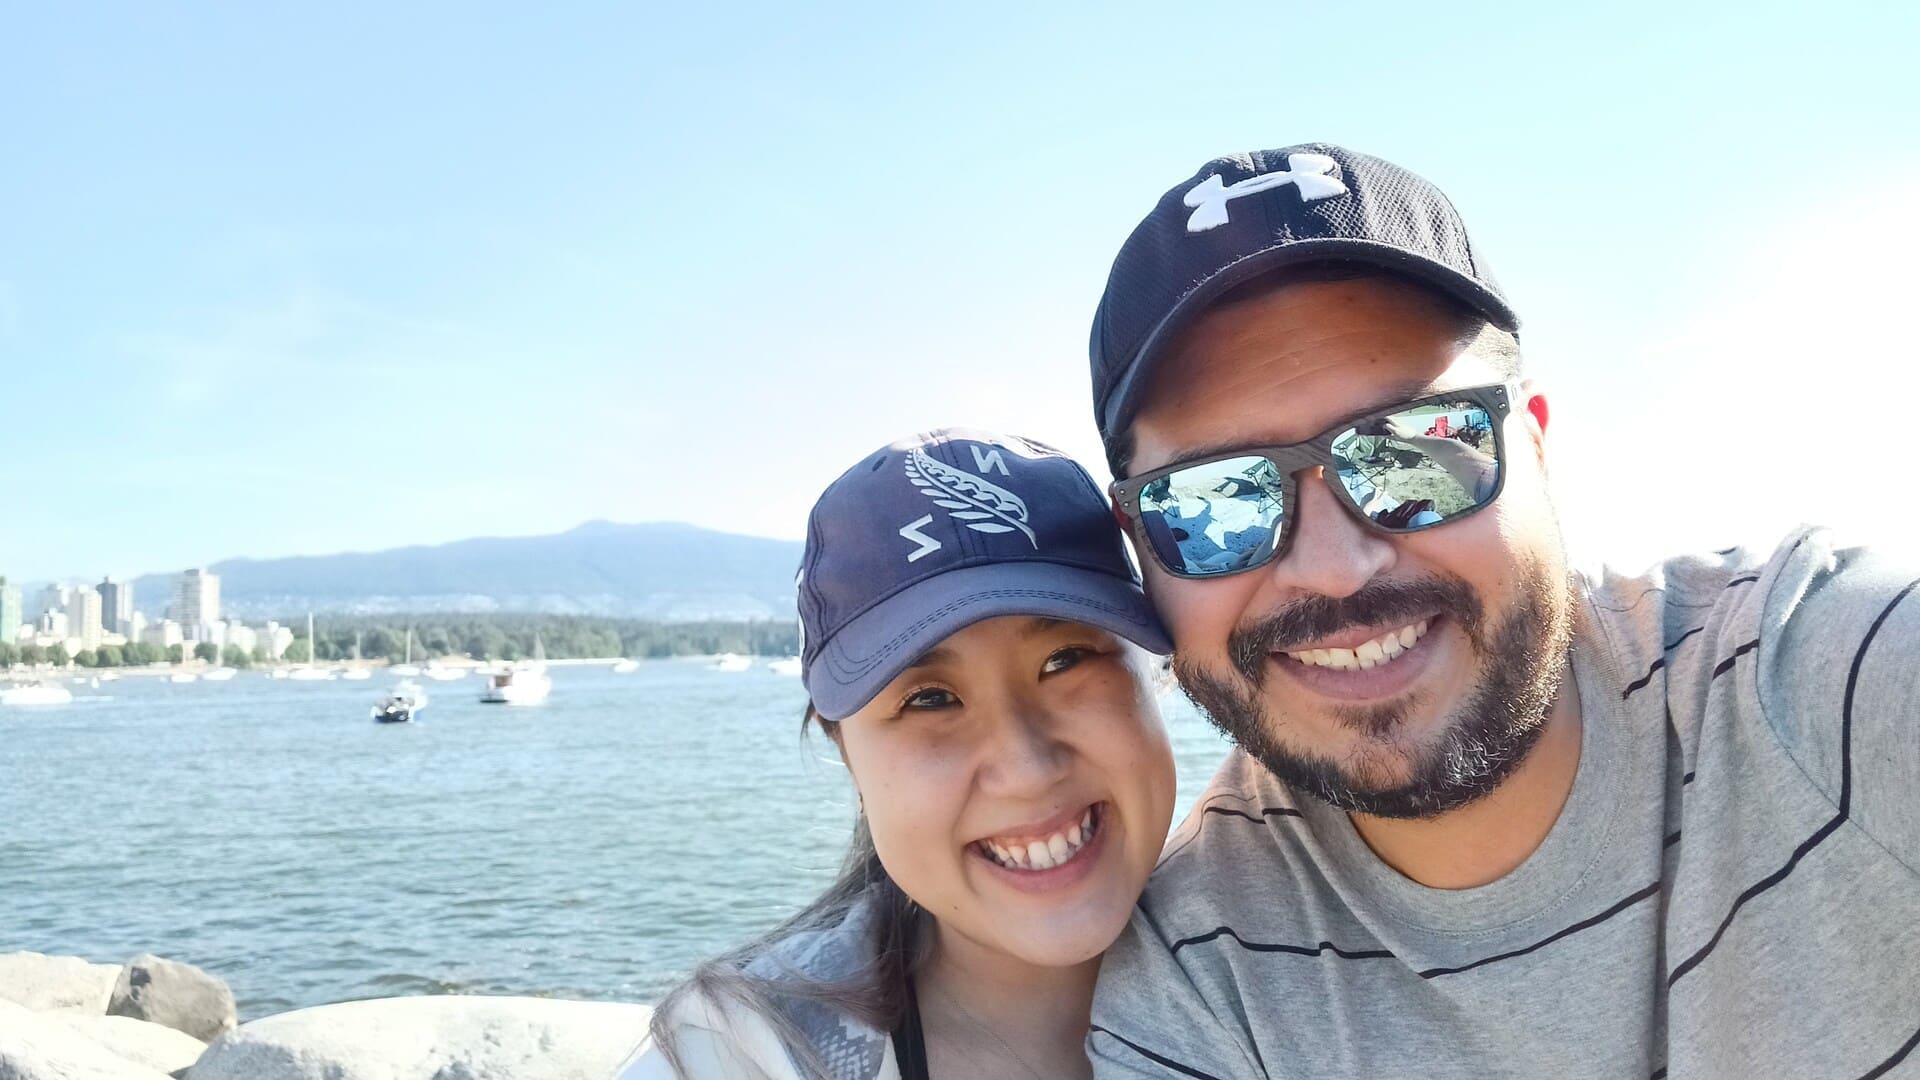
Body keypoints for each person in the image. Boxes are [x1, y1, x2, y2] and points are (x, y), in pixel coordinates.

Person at [1082, 144, 1919, 1077]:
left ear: (1538, 448)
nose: (1336, 570)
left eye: (1417, 449)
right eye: (1216, 501)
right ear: (1139, 546)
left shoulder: (1823, 676)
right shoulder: (1194, 983)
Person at [620, 427, 1179, 1079]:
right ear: (845, 751)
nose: (1026, 769)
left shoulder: (1274, 932)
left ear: (1155, 673)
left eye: (1066, 659)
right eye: (930, 700)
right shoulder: (738, 1057)